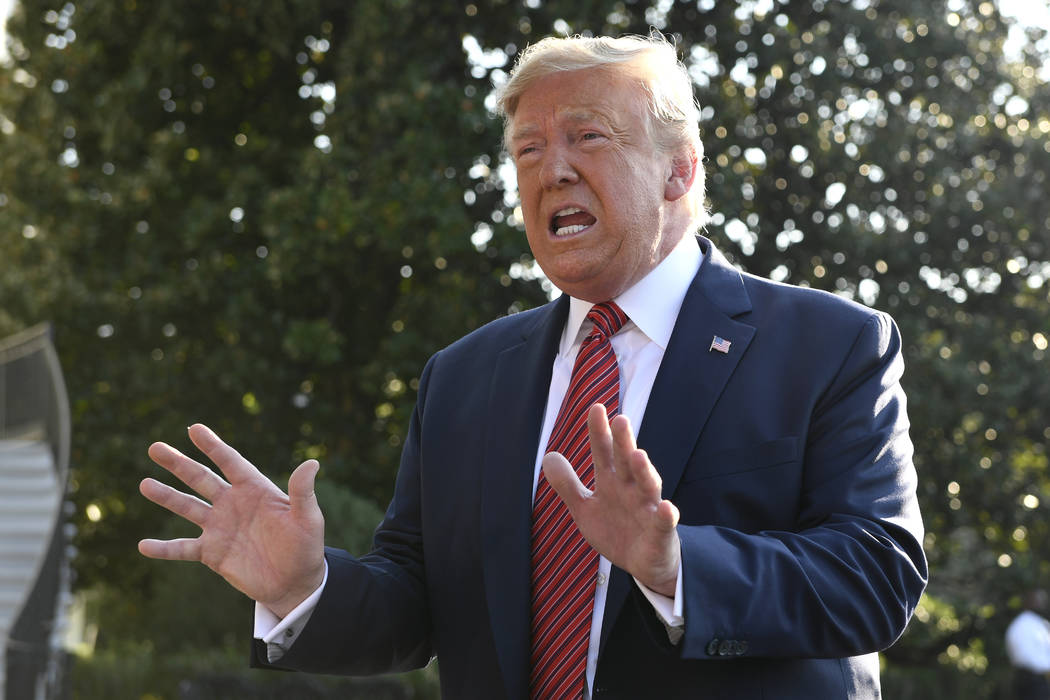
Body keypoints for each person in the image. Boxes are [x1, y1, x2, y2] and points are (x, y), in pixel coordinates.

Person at [139, 34, 927, 699]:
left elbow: (877, 575)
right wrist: (303, 589)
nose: (552, 170)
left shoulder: (829, 345)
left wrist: (674, 563)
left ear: (680, 171)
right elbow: (416, 604)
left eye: (588, 136)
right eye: (528, 150)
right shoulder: (462, 376)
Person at [1006, 589, 1050, 699]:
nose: (1042, 603)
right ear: (1029, 602)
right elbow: (1025, 658)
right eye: (1038, 600)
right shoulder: (1022, 624)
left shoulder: (1039, 623)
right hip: (1032, 681)